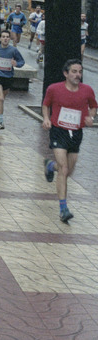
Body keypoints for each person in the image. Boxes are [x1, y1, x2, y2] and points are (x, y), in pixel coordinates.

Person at [42, 58, 97, 222]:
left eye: (80, 72)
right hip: (59, 131)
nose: (77, 75)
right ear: (65, 73)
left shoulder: (87, 90)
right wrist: (46, 119)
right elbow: (46, 104)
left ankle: (50, 166)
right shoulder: (54, 89)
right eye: (74, 71)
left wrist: (91, 117)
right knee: (64, 168)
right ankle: (63, 209)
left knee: (68, 171)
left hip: (76, 133)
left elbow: (94, 106)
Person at [0, 29, 25, 129]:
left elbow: (21, 61)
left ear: (9, 39)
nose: (5, 39)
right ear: (0, 38)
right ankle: (0, 121)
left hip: (8, 76)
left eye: (7, 37)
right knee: (1, 98)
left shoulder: (13, 50)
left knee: (3, 98)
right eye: (3, 37)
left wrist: (16, 64)